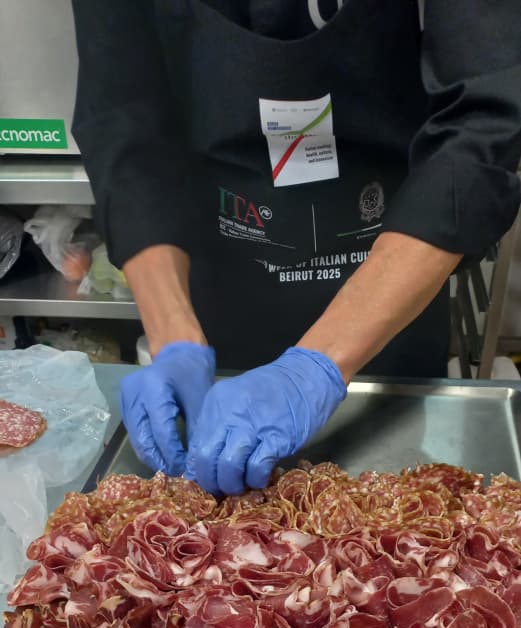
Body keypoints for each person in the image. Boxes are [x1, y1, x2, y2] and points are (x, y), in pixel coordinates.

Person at [72, 1, 521, 495]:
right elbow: (122, 117)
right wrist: (172, 335)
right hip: (227, 260)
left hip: (393, 263)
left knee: (395, 500)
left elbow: (483, 117)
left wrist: (315, 371)